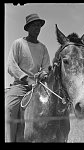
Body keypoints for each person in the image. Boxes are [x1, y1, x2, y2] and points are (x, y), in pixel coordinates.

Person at [5, 13, 50, 142]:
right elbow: (11, 65)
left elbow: (47, 66)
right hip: (20, 85)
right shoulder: (18, 43)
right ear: (28, 27)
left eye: (39, 25)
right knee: (9, 108)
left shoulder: (43, 48)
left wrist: (44, 73)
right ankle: (9, 140)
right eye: (34, 25)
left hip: (38, 86)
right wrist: (26, 78)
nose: (38, 28)